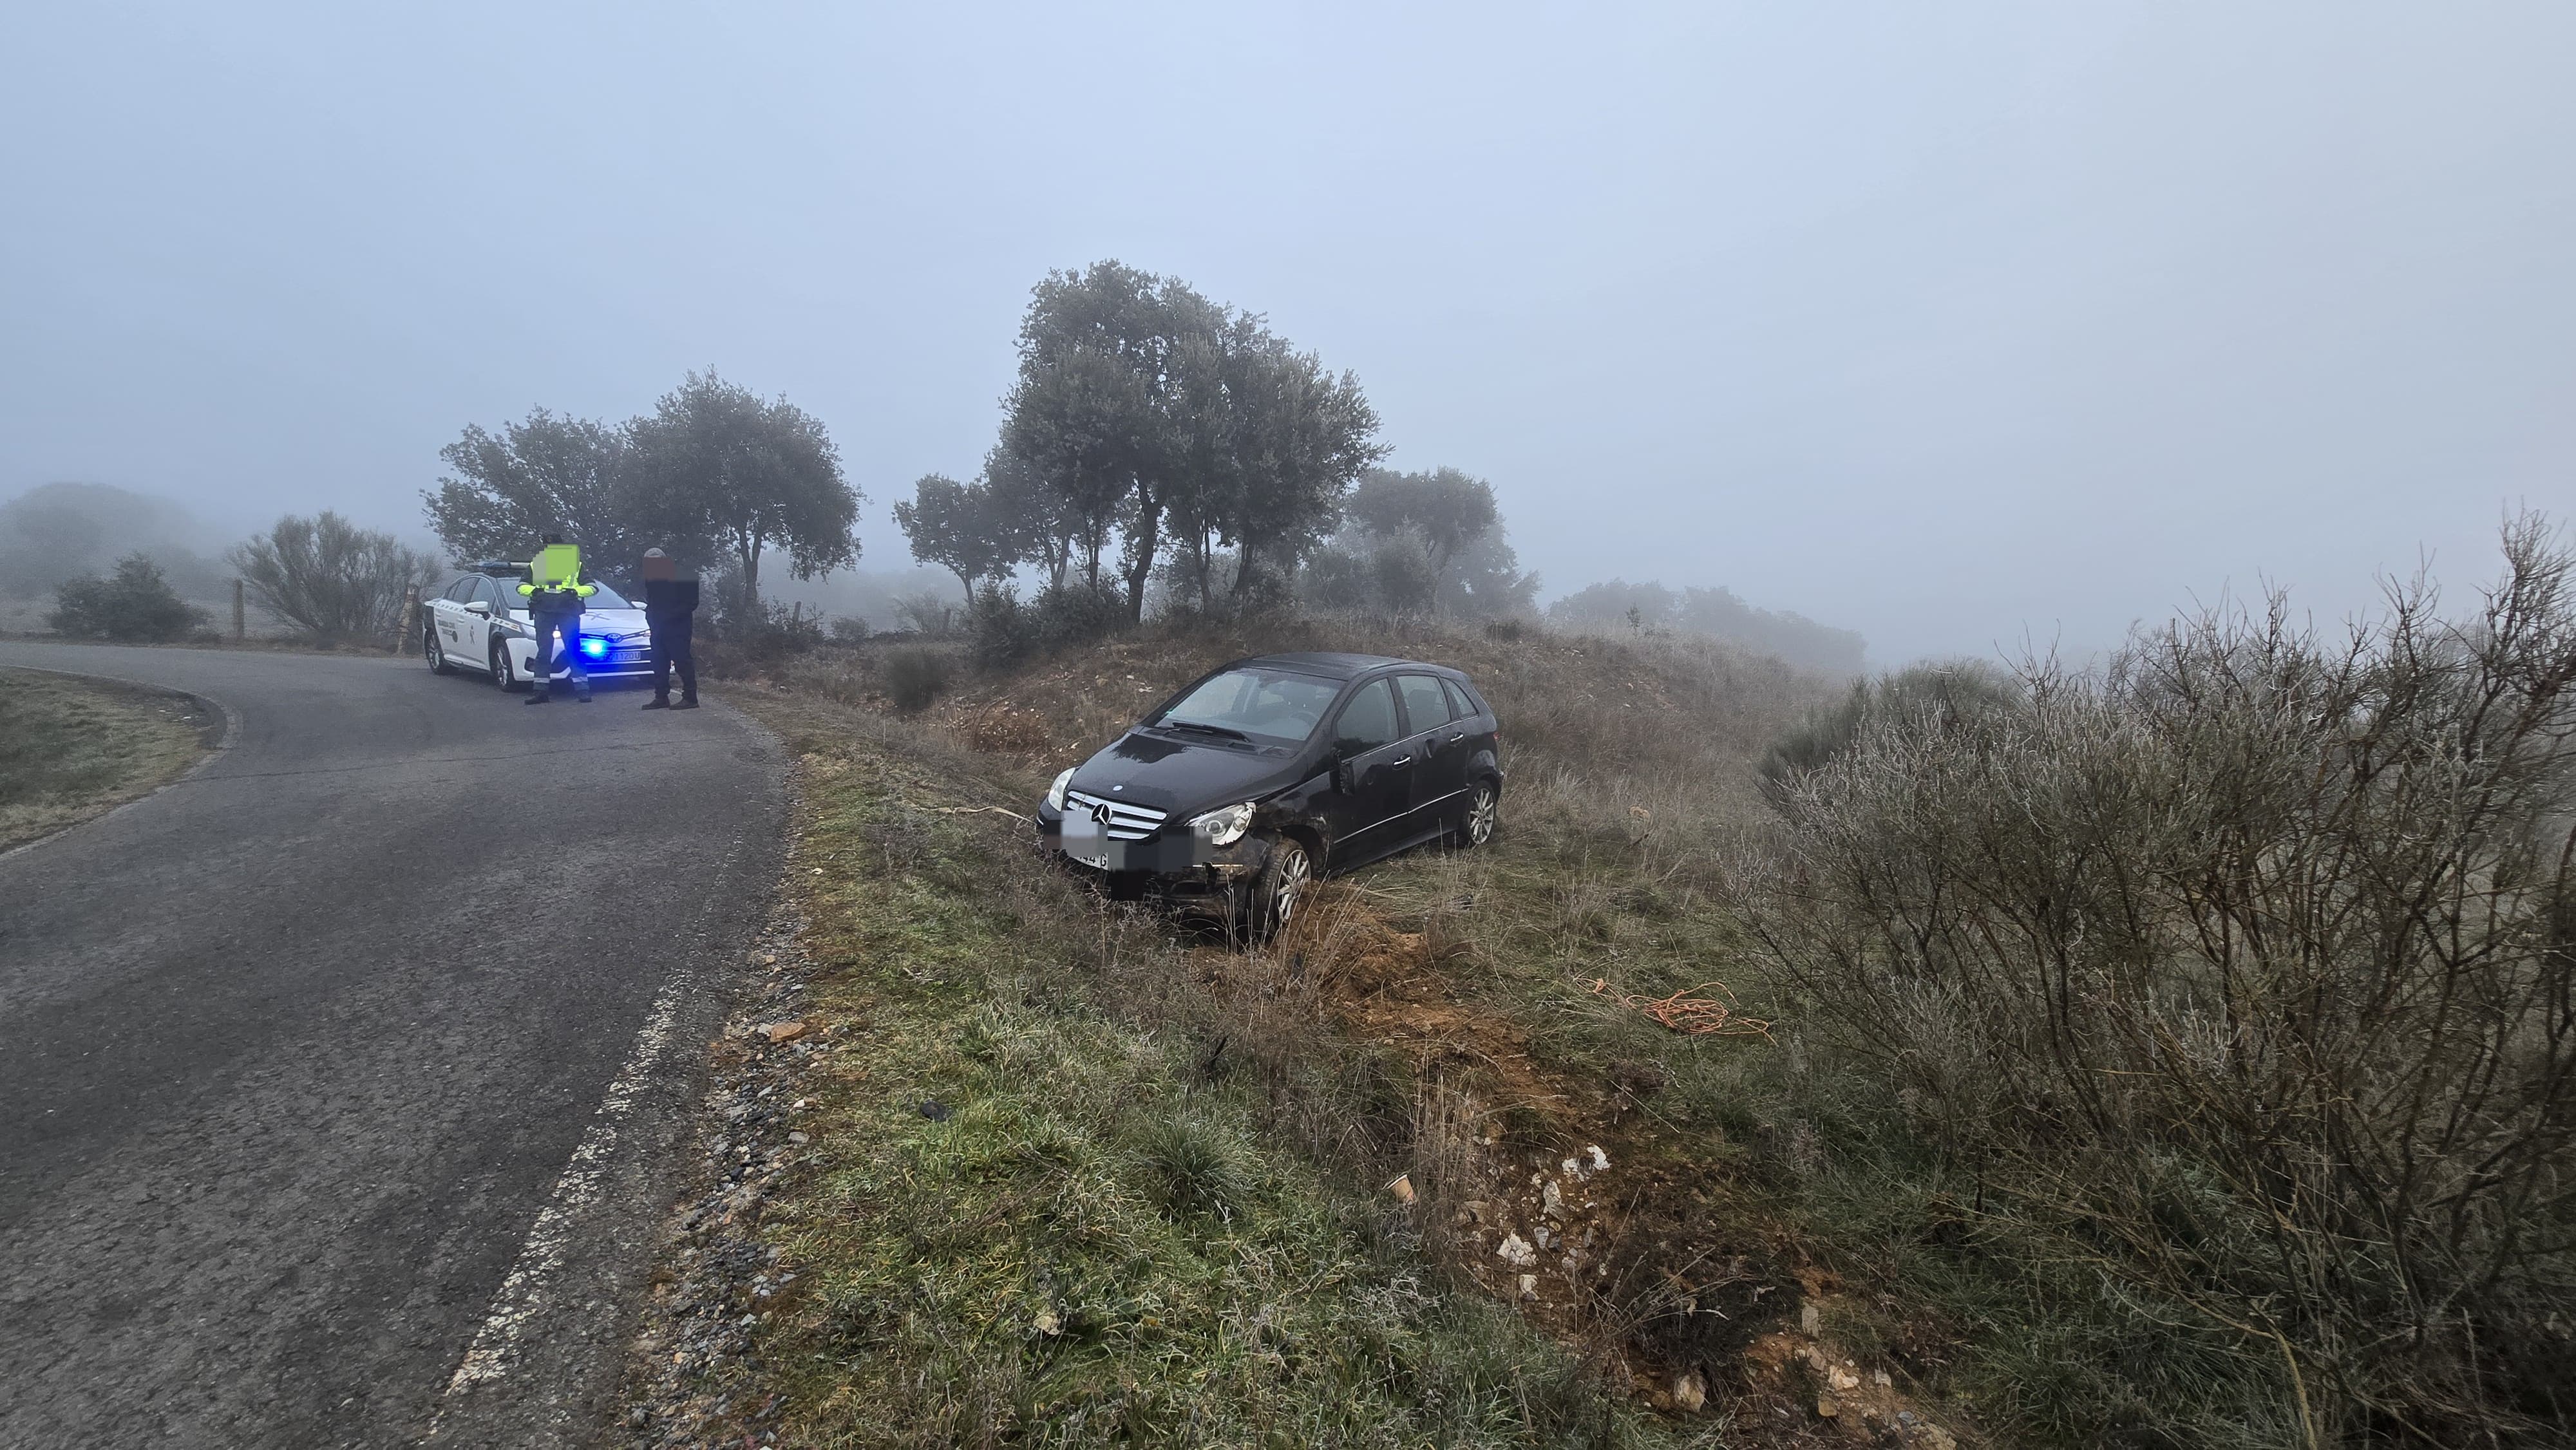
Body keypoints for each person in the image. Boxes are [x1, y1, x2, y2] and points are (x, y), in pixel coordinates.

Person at [516, 534, 596, 705]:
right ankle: (541, 692)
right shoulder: (536, 565)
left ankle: (583, 690)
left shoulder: (576, 565)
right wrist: (534, 591)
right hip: (544, 611)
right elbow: (521, 586)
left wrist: (575, 593)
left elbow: (592, 587)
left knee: (573, 650)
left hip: (568, 611)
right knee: (544, 652)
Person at [639, 547, 699, 710]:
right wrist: (650, 617)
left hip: (678, 628)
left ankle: (691, 698)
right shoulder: (651, 578)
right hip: (658, 627)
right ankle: (661, 697)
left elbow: (692, 603)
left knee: (682, 661)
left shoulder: (685, 576)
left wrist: (669, 617)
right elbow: (652, 601)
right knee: (659, 662)